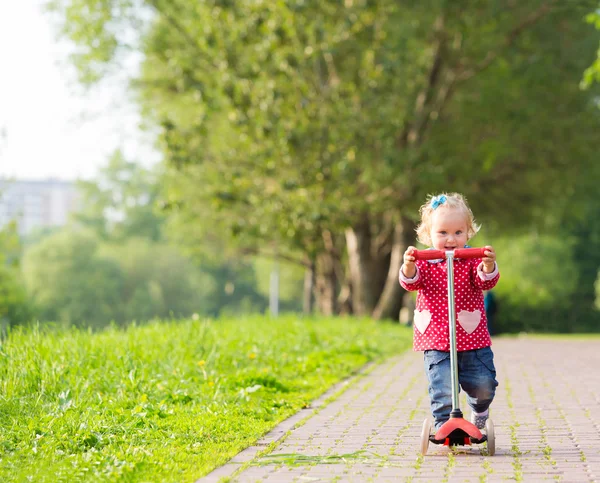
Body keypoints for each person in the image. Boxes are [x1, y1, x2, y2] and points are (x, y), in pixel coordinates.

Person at [399, 192, 499, 432]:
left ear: (468, 232)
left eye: (458, 233)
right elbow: (411, 282)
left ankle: (479, 410)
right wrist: (409, 266)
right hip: (437, 339)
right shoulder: (424, 261)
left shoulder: (472, 260)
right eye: (443, 233)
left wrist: (487, 265)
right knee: (441, 386)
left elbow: (485, 281)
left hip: (471, 338)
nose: (451, 239)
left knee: (483, 384)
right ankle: (445, 425)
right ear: (428, 234)